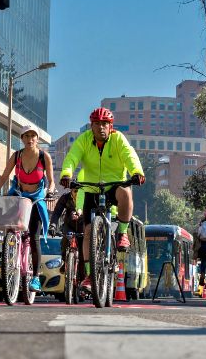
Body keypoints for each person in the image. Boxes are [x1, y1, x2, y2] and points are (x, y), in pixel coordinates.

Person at [59, 107, 145, 290]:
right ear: (91, 126)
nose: (101, 127)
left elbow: (130, 155)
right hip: (91, 188)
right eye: (97, 124)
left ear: (111, 126)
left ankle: (122, 233)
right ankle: (90, 275)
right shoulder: (84, 139)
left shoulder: (118, 139)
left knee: (126, 191)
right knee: (88, 231)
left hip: (114, 185)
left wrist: (137, 172)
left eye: (105, 123)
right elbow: (72, 157)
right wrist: (67, 174)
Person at [0, 125, 53, 291]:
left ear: (37, 139)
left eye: (33, 136)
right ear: (21, 138)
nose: (30, 139)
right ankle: (9, 250)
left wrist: (50, 192)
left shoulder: (44, 157)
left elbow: (51, 181)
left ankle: (36, 278)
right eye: (26, 136)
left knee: (34, 236)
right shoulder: (16, 156)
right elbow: (4, 176)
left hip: (37, 198)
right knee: (9, 226)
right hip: (19, 194)